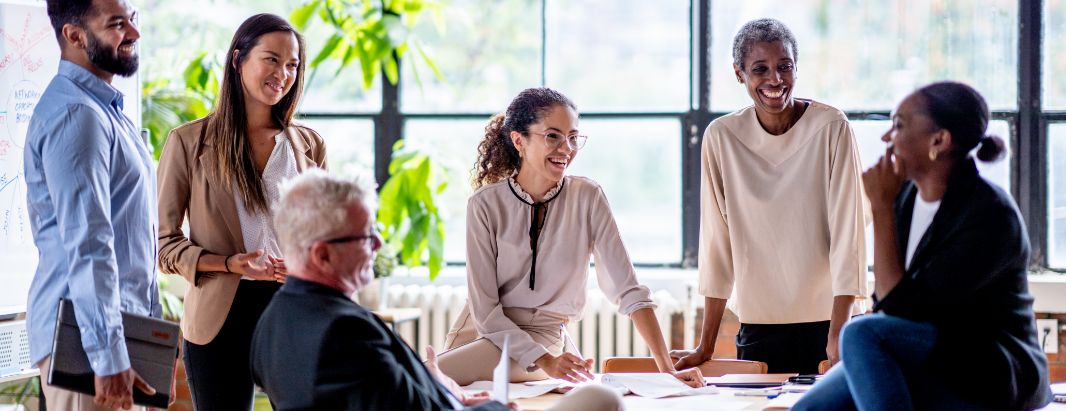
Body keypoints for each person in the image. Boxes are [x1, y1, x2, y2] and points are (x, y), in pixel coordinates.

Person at [250, 169, 622, 411]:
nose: (379, 244)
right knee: (602, 400)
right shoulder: (345, 334)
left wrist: (442, 390)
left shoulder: (273, 322)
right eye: (366, 236)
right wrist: (493, 409)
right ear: (323, 255)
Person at [793, 82, 1052, 411]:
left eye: (899, 125)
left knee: (861, 333)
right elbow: (891, 304)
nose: (887, 137)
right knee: (808, 407)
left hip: (988, 369)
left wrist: (881, 210)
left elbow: (907, 311)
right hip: (933, 355)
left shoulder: (990, 213)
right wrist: (887, 206)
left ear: (939, 141)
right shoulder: (906, 197)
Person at [436, 87, 704, 388]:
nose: (566, 148)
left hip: (544, 340)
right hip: (479, 336)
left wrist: (667, 370)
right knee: (411, 384)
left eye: (573, 137)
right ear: (518, 140)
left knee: (410, 381)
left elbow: (629, 291)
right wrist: (546, 361)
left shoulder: (588, 197)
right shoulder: (484, 205)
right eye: (553, 136)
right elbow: (485, 312)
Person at [672, 18, 867, 375]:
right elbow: (717, 243)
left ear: (796, 67)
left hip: (830, 321)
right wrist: (706, 345)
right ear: (739, 73)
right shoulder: (721, 137)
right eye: (760, 69)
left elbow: (848, 235)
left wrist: (839, 332)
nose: (775, 80)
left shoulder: (832, 127)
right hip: (760, 324)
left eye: (784, 67)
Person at [156, 13, 324, 410]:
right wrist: (232, 264)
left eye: (292, 64)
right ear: (237, 60)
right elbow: (165, 247)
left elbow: (321, 235)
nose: (283, 73)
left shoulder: (310, 146)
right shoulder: (188, 142)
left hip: (291, 311)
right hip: (219, 320)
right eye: (271, 59)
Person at [25, 1, 164, 409]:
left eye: (133, 19)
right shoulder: (77, 114)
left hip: (109, 337)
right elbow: (89, 242)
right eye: (117, 25)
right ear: (74, 36)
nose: (134, 34)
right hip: (87, 345)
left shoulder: (106, 111)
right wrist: (109, 358)